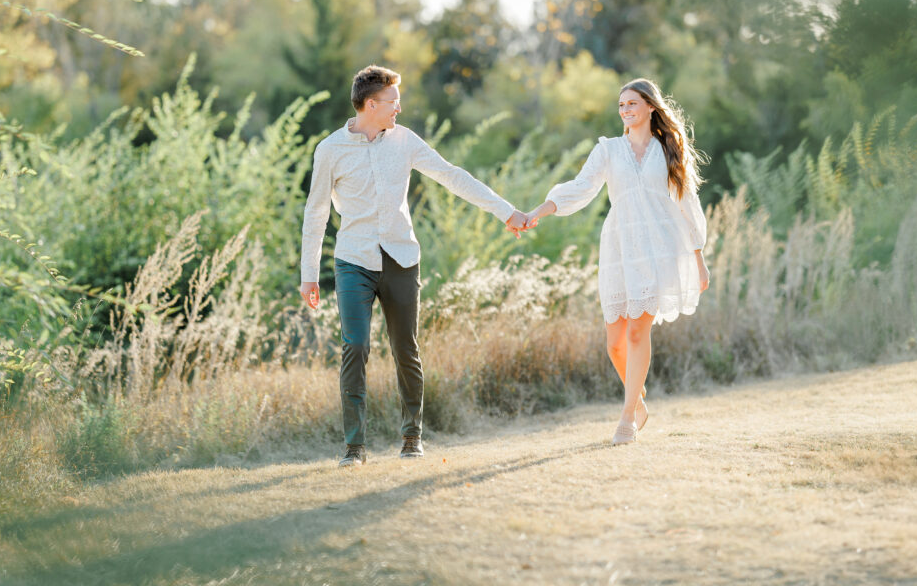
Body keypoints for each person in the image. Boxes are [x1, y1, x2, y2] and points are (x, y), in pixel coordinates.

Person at [300, 65, 530, 467]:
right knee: (355, 346)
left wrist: (505, 211)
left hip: (402, 259)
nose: (399, 108)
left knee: (405, 349)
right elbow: (316, 212)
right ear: (371, 105)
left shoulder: (405, 141)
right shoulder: (330, 149)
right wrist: (308, 274)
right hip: (354, 260)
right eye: (393, 101)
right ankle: (354, 447)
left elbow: (453, 177)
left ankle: (412, 437)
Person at [524, 78, 710, 445]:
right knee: (614, 343)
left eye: (632, 104)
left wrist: (698, 258)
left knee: (639, 331)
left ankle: (626, 418)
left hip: (660, 246)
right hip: (620, 246)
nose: (625, 110)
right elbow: (580, 188)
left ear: (650, 107)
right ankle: (637, 399)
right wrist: (539, 211)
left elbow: (688, 203)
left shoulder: (669, 148)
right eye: (621, 105)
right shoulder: (608, 150)